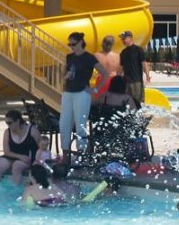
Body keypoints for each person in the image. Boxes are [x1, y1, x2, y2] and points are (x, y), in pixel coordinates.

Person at [61, 32, 110, 164]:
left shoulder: (89, 57)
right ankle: (65, 154)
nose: (71, 47)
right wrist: (65, 76)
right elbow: (63, 74)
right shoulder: (69, 57)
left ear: (81, 42)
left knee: (80, 124)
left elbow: (105, 74)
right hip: (68, 92)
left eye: (74, 44)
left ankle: (81, 154)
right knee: (64, 124)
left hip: (82, 93)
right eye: (69, 44)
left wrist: (95, 89)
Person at [0, 109, 40, 184]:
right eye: (6, 123)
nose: (8, 125)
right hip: (13, 156)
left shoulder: (32, 130)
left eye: (10, 123)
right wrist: (20, 157)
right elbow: (6, 151)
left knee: (17, 166)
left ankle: (16, 191)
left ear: (18, 121)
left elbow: (41, 146)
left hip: (28, 157)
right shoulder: (7, 132)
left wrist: (38, 160)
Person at [119, 30, 150, 105]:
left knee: (137, 102)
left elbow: (144, 63)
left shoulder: (138, 50)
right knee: (127, 104)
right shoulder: (123, 52)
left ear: (130, 38)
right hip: (126, 82)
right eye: (122, 39)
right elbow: (121, 68)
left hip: (136, 81)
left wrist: (147, 75)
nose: (122, 40)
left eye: (124, 38)